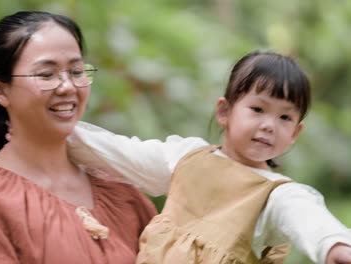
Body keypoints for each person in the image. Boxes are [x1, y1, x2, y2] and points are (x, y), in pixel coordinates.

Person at [67, 51, 351, 263]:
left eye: (285, 117)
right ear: (225, 111)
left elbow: (312, 223)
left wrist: (335, 246)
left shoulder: (277, 196)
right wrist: (47, 128)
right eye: (258, 109)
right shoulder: (186, 158)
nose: (269, 125)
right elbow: (114, 151)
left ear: (295, 133)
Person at [0, 11, 157, 264]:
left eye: (77, 71)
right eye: (46, 75)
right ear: (0, 90)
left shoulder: (119, 187)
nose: (67, 86)